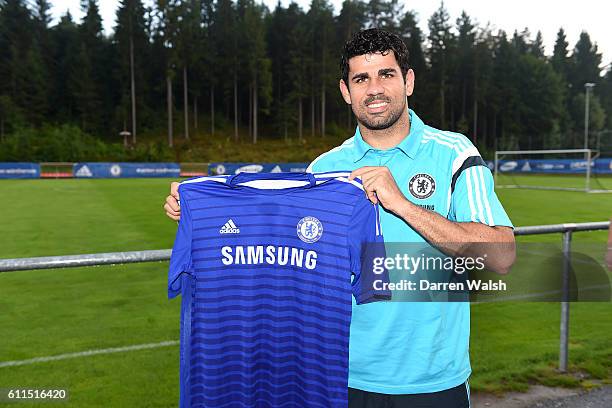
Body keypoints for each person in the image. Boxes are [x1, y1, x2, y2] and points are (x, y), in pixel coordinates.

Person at [164, 28, 516, 408]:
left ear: (408, 81)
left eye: (386, 74)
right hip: (339, 379)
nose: (374, 89)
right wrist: (204, 213)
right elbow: (280, 250)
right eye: (361, 79)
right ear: (346, 91)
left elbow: (501, 256)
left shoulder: (455, 153)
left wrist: (403, 204)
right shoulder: (325, 168)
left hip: (432, 382)